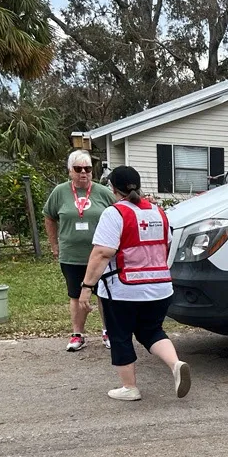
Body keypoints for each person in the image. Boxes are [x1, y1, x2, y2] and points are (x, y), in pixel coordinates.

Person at [78, 165, 191, 402]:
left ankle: (129, 387)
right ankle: (175, 364)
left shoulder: (114, 213)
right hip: (161, 288)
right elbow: (166, 246)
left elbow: (102, 253)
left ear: (113, 188)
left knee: (120, 335)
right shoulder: (158, 212)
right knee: (152, 331)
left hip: (123, 289)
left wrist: (87, 287)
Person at [43, 150, 115, 351]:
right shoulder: (60, 192)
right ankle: (78, 334)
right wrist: (54, 245)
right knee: (75, 295)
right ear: (70, 171)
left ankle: (108, 331)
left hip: (100, 255)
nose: (84, 173)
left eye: (88, 169)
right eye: (78, 169)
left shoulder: (103, 192)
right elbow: (49, 217)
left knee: (104, 294)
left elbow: (120, 213)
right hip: (72, 255)